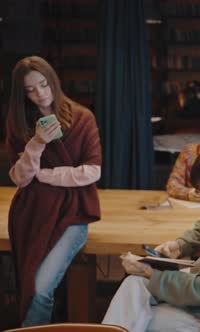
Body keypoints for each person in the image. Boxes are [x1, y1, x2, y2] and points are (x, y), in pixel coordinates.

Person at [5, 56, 102, 325]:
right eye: (30, 90)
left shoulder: (82, 118)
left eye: (44, 85)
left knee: (39, 288)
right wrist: (37, 143)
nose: (40, 94)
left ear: (54, 82)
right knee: (29, 283)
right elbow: (20, 178)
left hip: (74, 212)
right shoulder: (20, 121)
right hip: (31, 213)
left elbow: (93, 171)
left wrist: (46, 175)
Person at [102, 147, 200, 332]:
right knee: (133, 285)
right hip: (197, 291)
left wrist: (151, 273)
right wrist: (179, 245)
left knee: (136, 310)